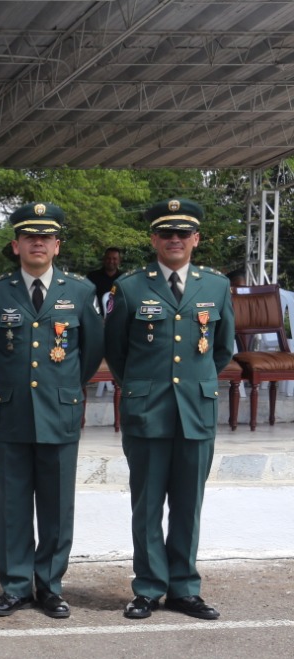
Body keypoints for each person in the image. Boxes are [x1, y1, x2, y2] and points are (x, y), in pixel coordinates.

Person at [0, 203, 104, 619]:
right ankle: (14, 586)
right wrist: (12, 383)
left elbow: (91, 352)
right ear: (16, 245)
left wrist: (63, 388)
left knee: (56, 505)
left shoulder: (80, 292)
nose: (38, 243)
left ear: (57, 245)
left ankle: (49, 586)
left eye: (45, 237)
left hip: (60, 410)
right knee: (12, 504)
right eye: (30, 237)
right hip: (13, 412)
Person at [104, 198, 234, 621]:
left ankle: (184, 589)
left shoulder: (215, 286)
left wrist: (195, 385)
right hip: (148, 410)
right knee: (147, 505)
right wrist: (142, 388)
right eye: (166, 233)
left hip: (195, 410)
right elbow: (117, 352)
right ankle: (147, 588)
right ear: (153, 239)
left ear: (196, 239)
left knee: (187, 503)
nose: (174, 240)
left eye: (183, 233)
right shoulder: (130, 287)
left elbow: (222, 349)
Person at [86, 247, 123, 311]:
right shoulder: (92, 277)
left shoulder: (123, 279)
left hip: (119, 318)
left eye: (114, 259)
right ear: (104, 259)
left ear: (119, 260)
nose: (111, 261)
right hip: (96, 317)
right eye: (108, 258)